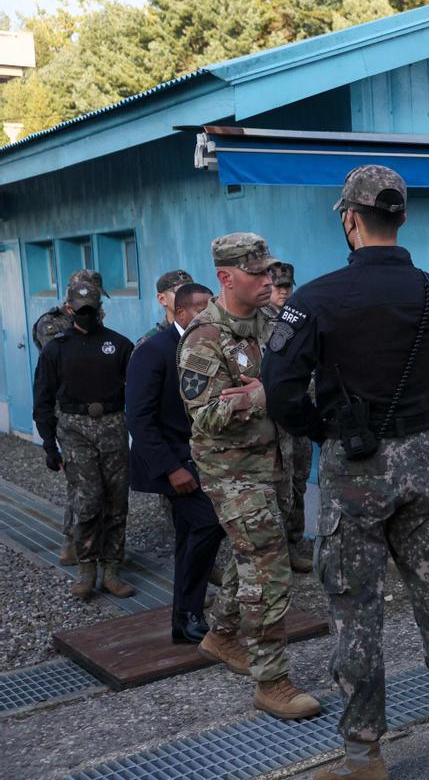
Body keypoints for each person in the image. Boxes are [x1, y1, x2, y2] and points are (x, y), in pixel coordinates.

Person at [262, 164, 429, 774]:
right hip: (421, 456)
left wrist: (321, 428)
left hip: (352, 463)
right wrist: (417, 410)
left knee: (356, 607)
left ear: (350, 218)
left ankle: (364, 753)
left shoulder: (314, 299)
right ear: (402, 217)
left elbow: (278, 389)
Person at [179, 232, 319, 721]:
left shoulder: (273, 323)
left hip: (274, 460)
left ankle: (220, 635)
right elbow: (205, 416)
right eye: (257, 273)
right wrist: (264, 395)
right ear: (226, 277)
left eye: (269, 272)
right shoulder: (204, 337)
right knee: (269, 566)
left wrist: (286, 389)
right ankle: (272, 681)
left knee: (252, 556)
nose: (268, 280)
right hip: (232, 468)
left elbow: (306, 375)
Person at [128, 282, 226, 643]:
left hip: (206, 458)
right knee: (209, 525)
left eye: (210, 305)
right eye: (199, 308)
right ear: (179, 312)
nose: (207, 312)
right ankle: (188, 614)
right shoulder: (153, 350)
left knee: (191, 534)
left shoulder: (212, 344)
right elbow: (139, 417)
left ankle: (185, 619)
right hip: (175, 463)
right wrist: (171, 468)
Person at [32, 278, 136, 600]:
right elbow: (43, 399)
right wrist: (50, 444)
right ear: (69, 309)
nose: (87, 315)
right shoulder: (55, 348)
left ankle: (112, 570)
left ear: (100, 310)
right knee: (88, 500)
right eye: (81, 310)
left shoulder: (120, 345)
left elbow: (137, 392)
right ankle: (86, 568)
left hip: (113, 427)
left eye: (91, 309)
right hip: (74, 430)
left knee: (117, 502)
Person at [31, 269, 110, 567]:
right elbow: (64, 369)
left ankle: (94, 543)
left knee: (97, 483)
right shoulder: (52, 325)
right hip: (65, 412)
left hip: (96, 415)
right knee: (80, 483)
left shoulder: (93, 322)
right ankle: (73, 542)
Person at [266, 260, 313, 573]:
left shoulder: (298, 318)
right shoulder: (259, 321)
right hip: (274, 420)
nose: (283, 292)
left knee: (299, 483)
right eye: (277, 287)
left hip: (302, 413)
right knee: (277, 487)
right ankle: (277, 551)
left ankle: (295, 543)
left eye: (287, 287)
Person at [138, 270, 194, 346]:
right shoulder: (150, 342)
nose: (188, 297)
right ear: (162, 299)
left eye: (191, 291)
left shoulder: (205, 332)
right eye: (180, 292)